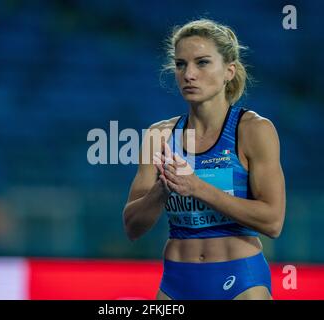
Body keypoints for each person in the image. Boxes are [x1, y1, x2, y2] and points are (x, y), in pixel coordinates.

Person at [122, 18, 286, 300]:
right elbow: (132, 227)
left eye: (202, 62)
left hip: (241, 282)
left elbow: (273, 221)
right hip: (176, 283)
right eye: (181, 64)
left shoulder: (254, 130)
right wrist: (162, 189)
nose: (189, 74)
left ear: (229, 71)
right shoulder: (159, 136)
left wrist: (197, 187)